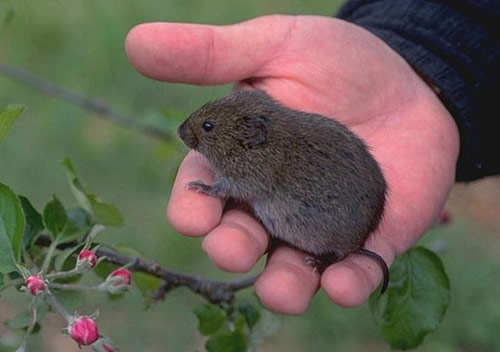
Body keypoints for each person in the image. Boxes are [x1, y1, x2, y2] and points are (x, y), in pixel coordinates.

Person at [124, 0, 499, 314]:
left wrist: (217, 188)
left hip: (335, 223)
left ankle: (333, 252)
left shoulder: (258, 159)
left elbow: (251, 184)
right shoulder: (265, 140)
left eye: (207, 130)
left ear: (250, 137)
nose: (193, 135)